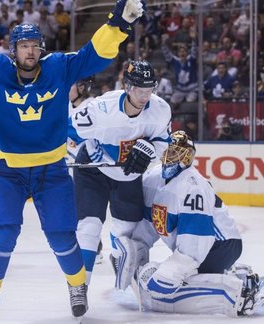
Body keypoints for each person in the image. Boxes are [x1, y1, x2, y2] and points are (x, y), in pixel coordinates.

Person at [0, 0, 144, 321]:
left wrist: (118, 25)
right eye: (23, 46)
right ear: (13, 49)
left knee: (62, 235)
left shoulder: (59, 67)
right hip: (5, 173)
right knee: (2, 235)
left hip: (52, 171)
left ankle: (76, 287)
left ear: (41, 49)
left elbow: (94, 54)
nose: (29, 52)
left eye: (34, 46)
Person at [113, 130, 264, 316]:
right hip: (199, 245)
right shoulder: (153, 178)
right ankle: (234, 275)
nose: (170, 156)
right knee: (156, 286)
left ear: (187, 158)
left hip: (221, 245)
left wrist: (170, 273)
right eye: (168, 151)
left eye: (176, 152)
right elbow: (150, 222)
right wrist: (135, 249)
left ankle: (240, 293)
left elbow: (196, 241)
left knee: (165, 291)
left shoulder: (193, 187)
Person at [68, 60, 171, 287]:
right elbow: (67, 130)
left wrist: (150, 149)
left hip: (128, 174)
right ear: (127, 87)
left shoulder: (160, 109)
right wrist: (52, 156)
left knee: (127, 231)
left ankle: (124, 266)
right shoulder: (102, 108)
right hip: (94, 169)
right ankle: (79, 286)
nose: (145, 96)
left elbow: (164, 142)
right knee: (89, 226)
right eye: (139, 90)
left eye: (149, 90)